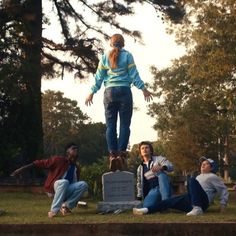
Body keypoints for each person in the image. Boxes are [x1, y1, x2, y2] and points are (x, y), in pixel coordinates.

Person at [85, 33, 153, 172]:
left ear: (111, 44)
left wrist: (92, 92)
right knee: (124, 125)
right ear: (123, 44)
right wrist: (143, 89)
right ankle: (121, 155)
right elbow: (134, 74)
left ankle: (112, 155)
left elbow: (98, 77)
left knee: (110, 126)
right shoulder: (128, 56)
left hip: (109, 93)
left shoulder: (105, 57)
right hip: (124, 92)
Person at [11, 142, 88, 218]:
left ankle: (66, 207)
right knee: (64, 182)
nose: (76, 150)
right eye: (73, 148)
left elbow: (75, 184)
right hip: (53, 188)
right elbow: (39, 163)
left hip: (65, 189)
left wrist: (75, 198)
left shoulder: (76, 168)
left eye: (77, 149)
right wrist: (21, 169)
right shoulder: (58, 160)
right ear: (67, 152)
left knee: (83, 184)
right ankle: (53, 211)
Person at [133, 156, 229, 216]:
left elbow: (223, 190)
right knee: (168, 201)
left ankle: (197, 208)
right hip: (190, 200)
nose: (202, 165)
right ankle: (146, 210)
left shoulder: (213, 177)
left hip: (202, 202)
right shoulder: (199, 176)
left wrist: (223, 205)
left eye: (206, 164)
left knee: (191, 179)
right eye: (202, 164)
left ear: (211, 167)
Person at [136, 141, 174, 208]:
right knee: (146, 206)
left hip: (163, 186)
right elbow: (139, 183)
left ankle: (166, 203)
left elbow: (171, 166)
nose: (144, 149)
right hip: (153, 191)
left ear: (151, 151)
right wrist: (139, 196)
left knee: (162, 175)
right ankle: (160, 203)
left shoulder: (158, 159)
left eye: (146, 148)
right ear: (140, 153)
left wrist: (162, 167)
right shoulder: (140, 168)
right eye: (142, 148)